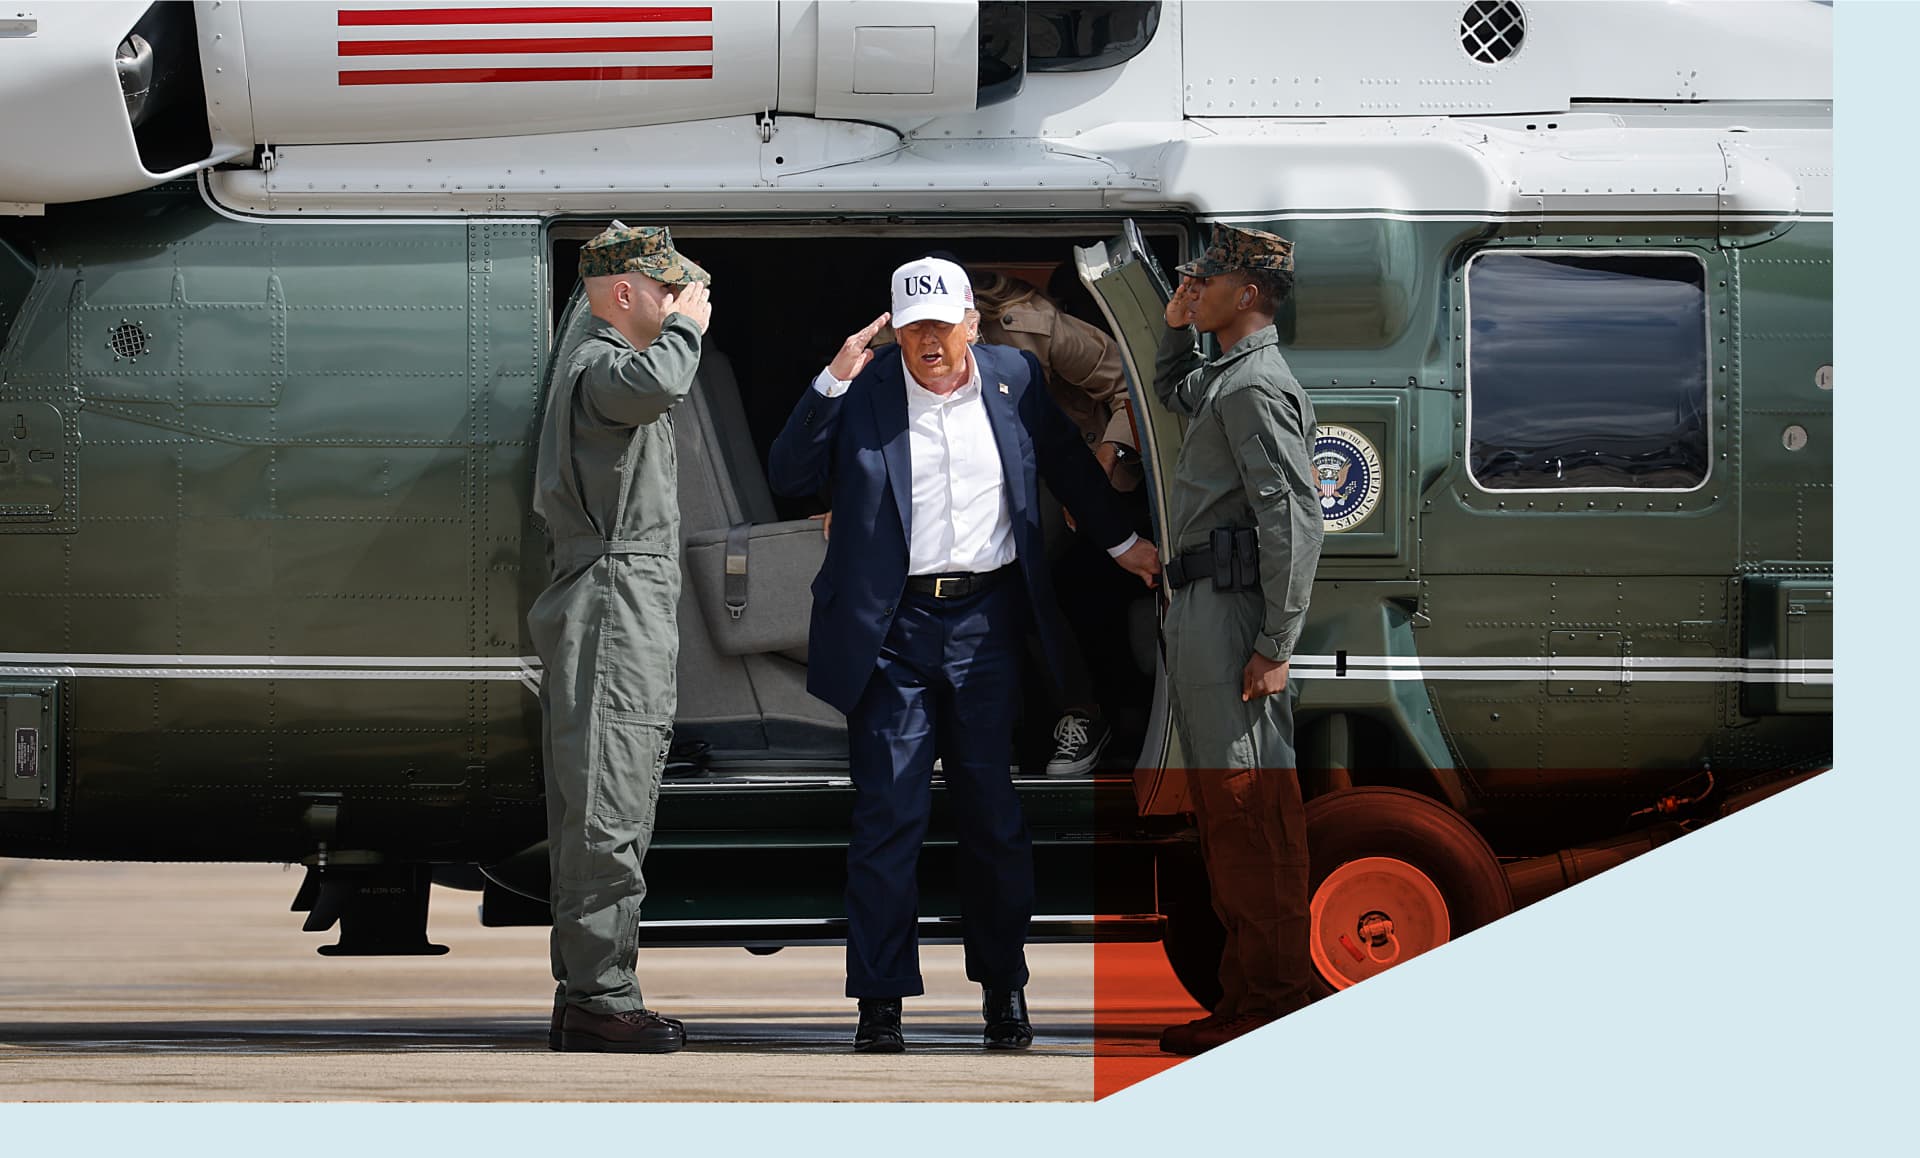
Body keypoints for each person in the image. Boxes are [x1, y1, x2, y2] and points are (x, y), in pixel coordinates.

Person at [767, 257, 1160, 1053]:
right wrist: (832, 381)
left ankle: (1004, 993)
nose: (928, 342)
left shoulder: (1013, 375)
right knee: (888, 819)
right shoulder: (868, 389)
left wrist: (1122, 542)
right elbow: (790, 475)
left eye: (942, 326)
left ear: (972, 325)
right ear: (895, 330)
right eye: (913, 328)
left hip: (985, 625)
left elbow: (1064, 463)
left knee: (994, 819)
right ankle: (880, 1002)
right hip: (892, 632)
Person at [527, 223, 712, 1053]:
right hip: (612, 597)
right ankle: (601, 996)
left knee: (613, 790)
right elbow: (654, 386)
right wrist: (686, 331)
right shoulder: (604, 365)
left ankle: (592, 992)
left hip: (620, 592)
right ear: (628, 294)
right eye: (667, 292)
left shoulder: (597, 360)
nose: (681, 305)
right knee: (609, 799)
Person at [1151, 224, 1324, 1055]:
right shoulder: (1225, 374)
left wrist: (1275, 640)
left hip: (1232, 615)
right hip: (1203, 607)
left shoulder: (1255, 385)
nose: (1197, 285)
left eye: (1208, 278)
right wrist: (1176, 319)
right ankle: (1248, 996)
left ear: (1247, 293)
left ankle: (1276, 1000)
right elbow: (1169, 390)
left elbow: (1295, 517)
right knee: (1227, 812)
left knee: (1252, 810)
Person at [970, 271, 1147, 777]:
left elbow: (1131, 385)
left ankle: (1081, 715)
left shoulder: (1033, 329)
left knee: (1020, 573)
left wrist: (1103, 462)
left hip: (1059, 468)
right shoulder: (896, 351)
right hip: (977, 487)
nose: (931, 341)